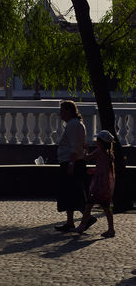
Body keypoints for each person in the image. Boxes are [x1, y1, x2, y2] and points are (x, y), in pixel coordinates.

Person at [54, 99, 89, 232]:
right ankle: (70, 222)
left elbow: (74, 147)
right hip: (72, 162)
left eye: (62, 111)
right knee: (69, 192)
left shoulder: (73, 125)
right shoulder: (76, 124)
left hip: (71, 163)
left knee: (74, 192)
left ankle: (87, 217)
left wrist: (71, 164)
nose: (60, 114)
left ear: (69, 111)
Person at [76, 130, 116, 238]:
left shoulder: (99, 151)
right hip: (105, 184)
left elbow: (87, 158)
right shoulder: (109, 154)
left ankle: (82, 226)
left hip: (98, 184)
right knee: (107, 207)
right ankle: (111, 229)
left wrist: (86, 149)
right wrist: (94, 170)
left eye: (97, 139)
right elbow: (104, 169)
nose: (96, 141)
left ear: (101, 142)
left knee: (89, 205)